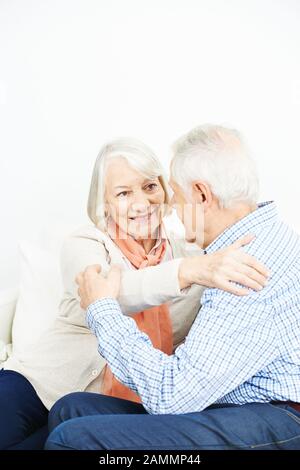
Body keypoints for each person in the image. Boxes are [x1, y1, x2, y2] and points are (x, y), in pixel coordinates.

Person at [0, 138, 267, 450]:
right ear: (104, 204)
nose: (141, 203)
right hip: (38, 383)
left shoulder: (193, 252)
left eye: (150, 186)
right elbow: (108, 295)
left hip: (98, 412)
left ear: (167, 191)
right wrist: (189, 272)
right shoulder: (86, 243)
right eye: (124, 193)